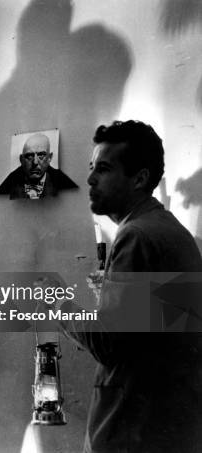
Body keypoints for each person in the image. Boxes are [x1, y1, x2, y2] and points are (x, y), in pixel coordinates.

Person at [58, 120, 202, 452]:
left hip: (132, 433)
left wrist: (55, 303)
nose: (91, 178)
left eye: (104, 169)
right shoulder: (170, 231)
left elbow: (107, 343)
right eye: (92, 167)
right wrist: (112, 296)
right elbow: (156, 327)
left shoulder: (136, 235)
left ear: (139, 178)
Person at [0, 132, 77, 199]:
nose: (35, 162)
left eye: (41, 155)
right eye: (29, 156)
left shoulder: (62, 181)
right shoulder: (10, 183)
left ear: (49, 158)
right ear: (21, 160)